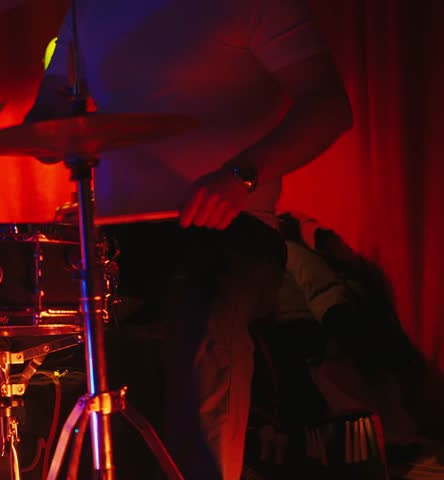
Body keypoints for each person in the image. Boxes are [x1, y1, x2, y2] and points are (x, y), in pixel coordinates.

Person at [24, 1, 353, 478]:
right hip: (118, 242)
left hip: (228, 232)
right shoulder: (86, 11)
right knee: (93, 367)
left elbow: (327, 105)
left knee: (202, 326)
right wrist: (42, 130)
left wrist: (240, 177)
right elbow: (50, 109)